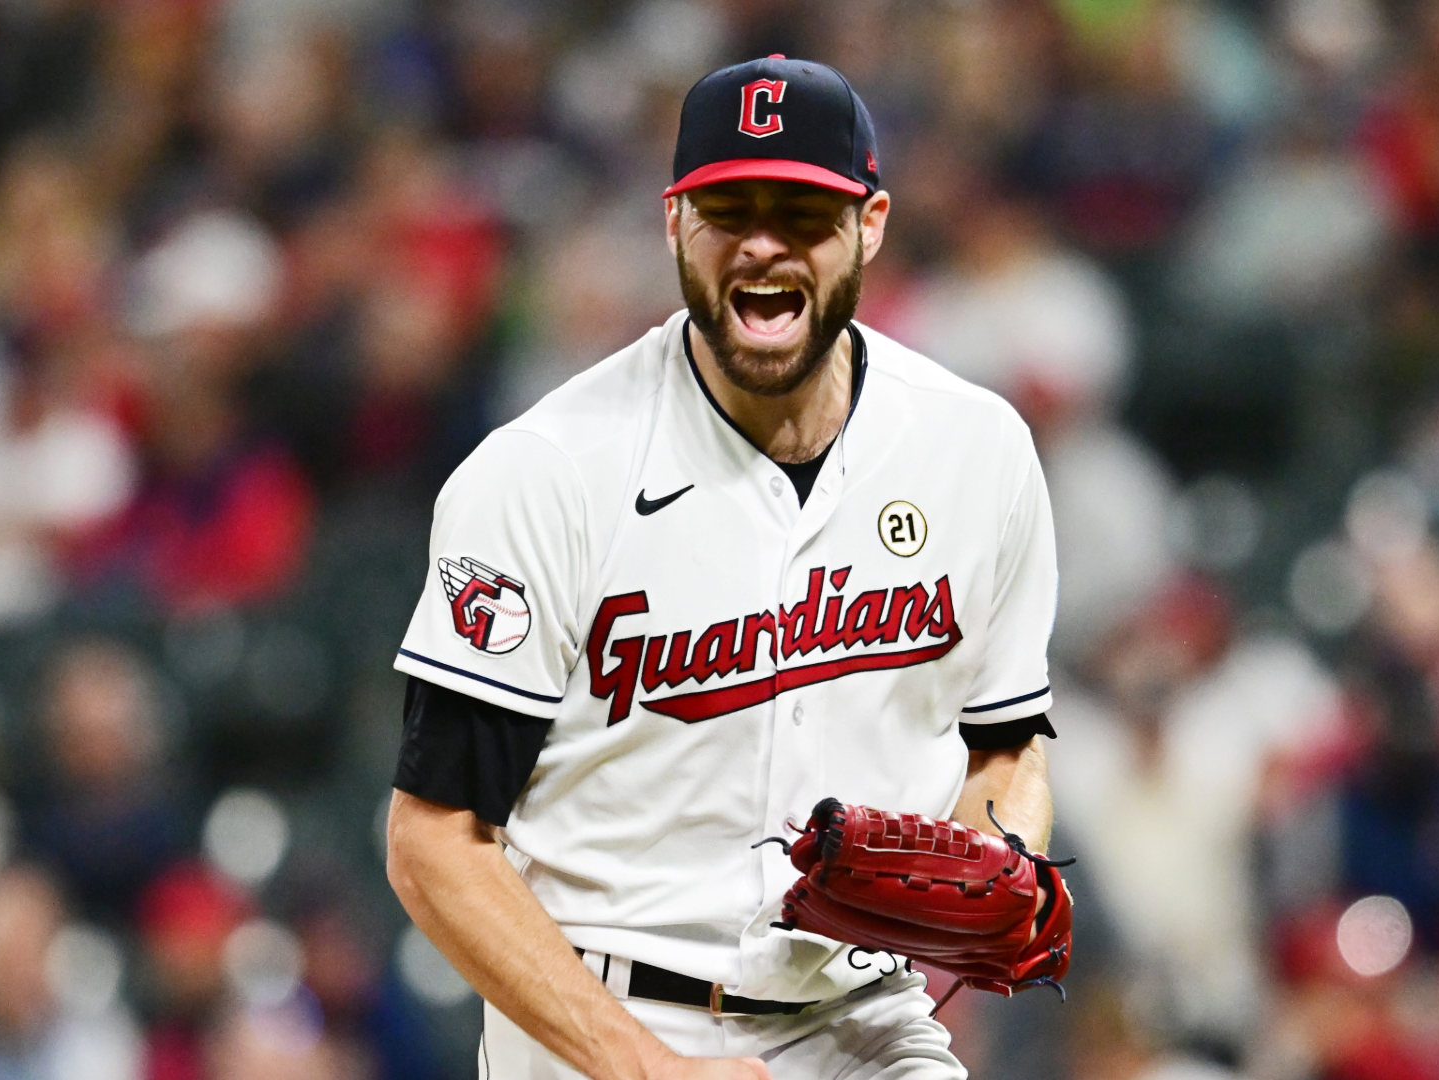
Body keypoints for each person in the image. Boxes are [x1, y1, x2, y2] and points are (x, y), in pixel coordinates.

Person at [384, 55, 1061, 1080]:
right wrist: (646, 1067)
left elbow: (1006, 743)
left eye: (802, 212)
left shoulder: (978, 451)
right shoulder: (547, 472)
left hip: (860, 1017)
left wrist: (989, 863)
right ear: (673, 223)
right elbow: (434, 843)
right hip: (596, 1018)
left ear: (871, 225)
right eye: (727, 208)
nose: (760, 243)